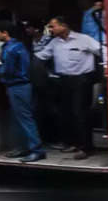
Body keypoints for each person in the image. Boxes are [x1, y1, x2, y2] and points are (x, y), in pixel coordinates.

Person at [34, 16, 100, 160]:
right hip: (64, 81)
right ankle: (73, 143)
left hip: (81, 81)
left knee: (80, 113)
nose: (50, 29)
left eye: (53, 26)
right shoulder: (54, 42)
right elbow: (42, 55)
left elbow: (101, 51)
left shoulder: (84, 39)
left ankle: (87, 147)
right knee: (66, 113)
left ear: (64, 26)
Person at [0, 21, 45, 163]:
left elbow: (8, 71)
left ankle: (37, 150)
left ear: (5, 33)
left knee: (25, 119)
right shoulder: (18, 46)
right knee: (19, 119)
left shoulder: (10, 49)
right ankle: (23, 148)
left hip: (17, 87)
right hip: (22, 86)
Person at [23, 19, 61, 148]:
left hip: (51, 78)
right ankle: (44, 138)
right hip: (36, 79)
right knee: (40, 109)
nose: (27, 30)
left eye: (29, 28)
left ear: (37, 29)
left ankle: (56, 138)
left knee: (53, 110)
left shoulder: (50, 41)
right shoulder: (28, 42)